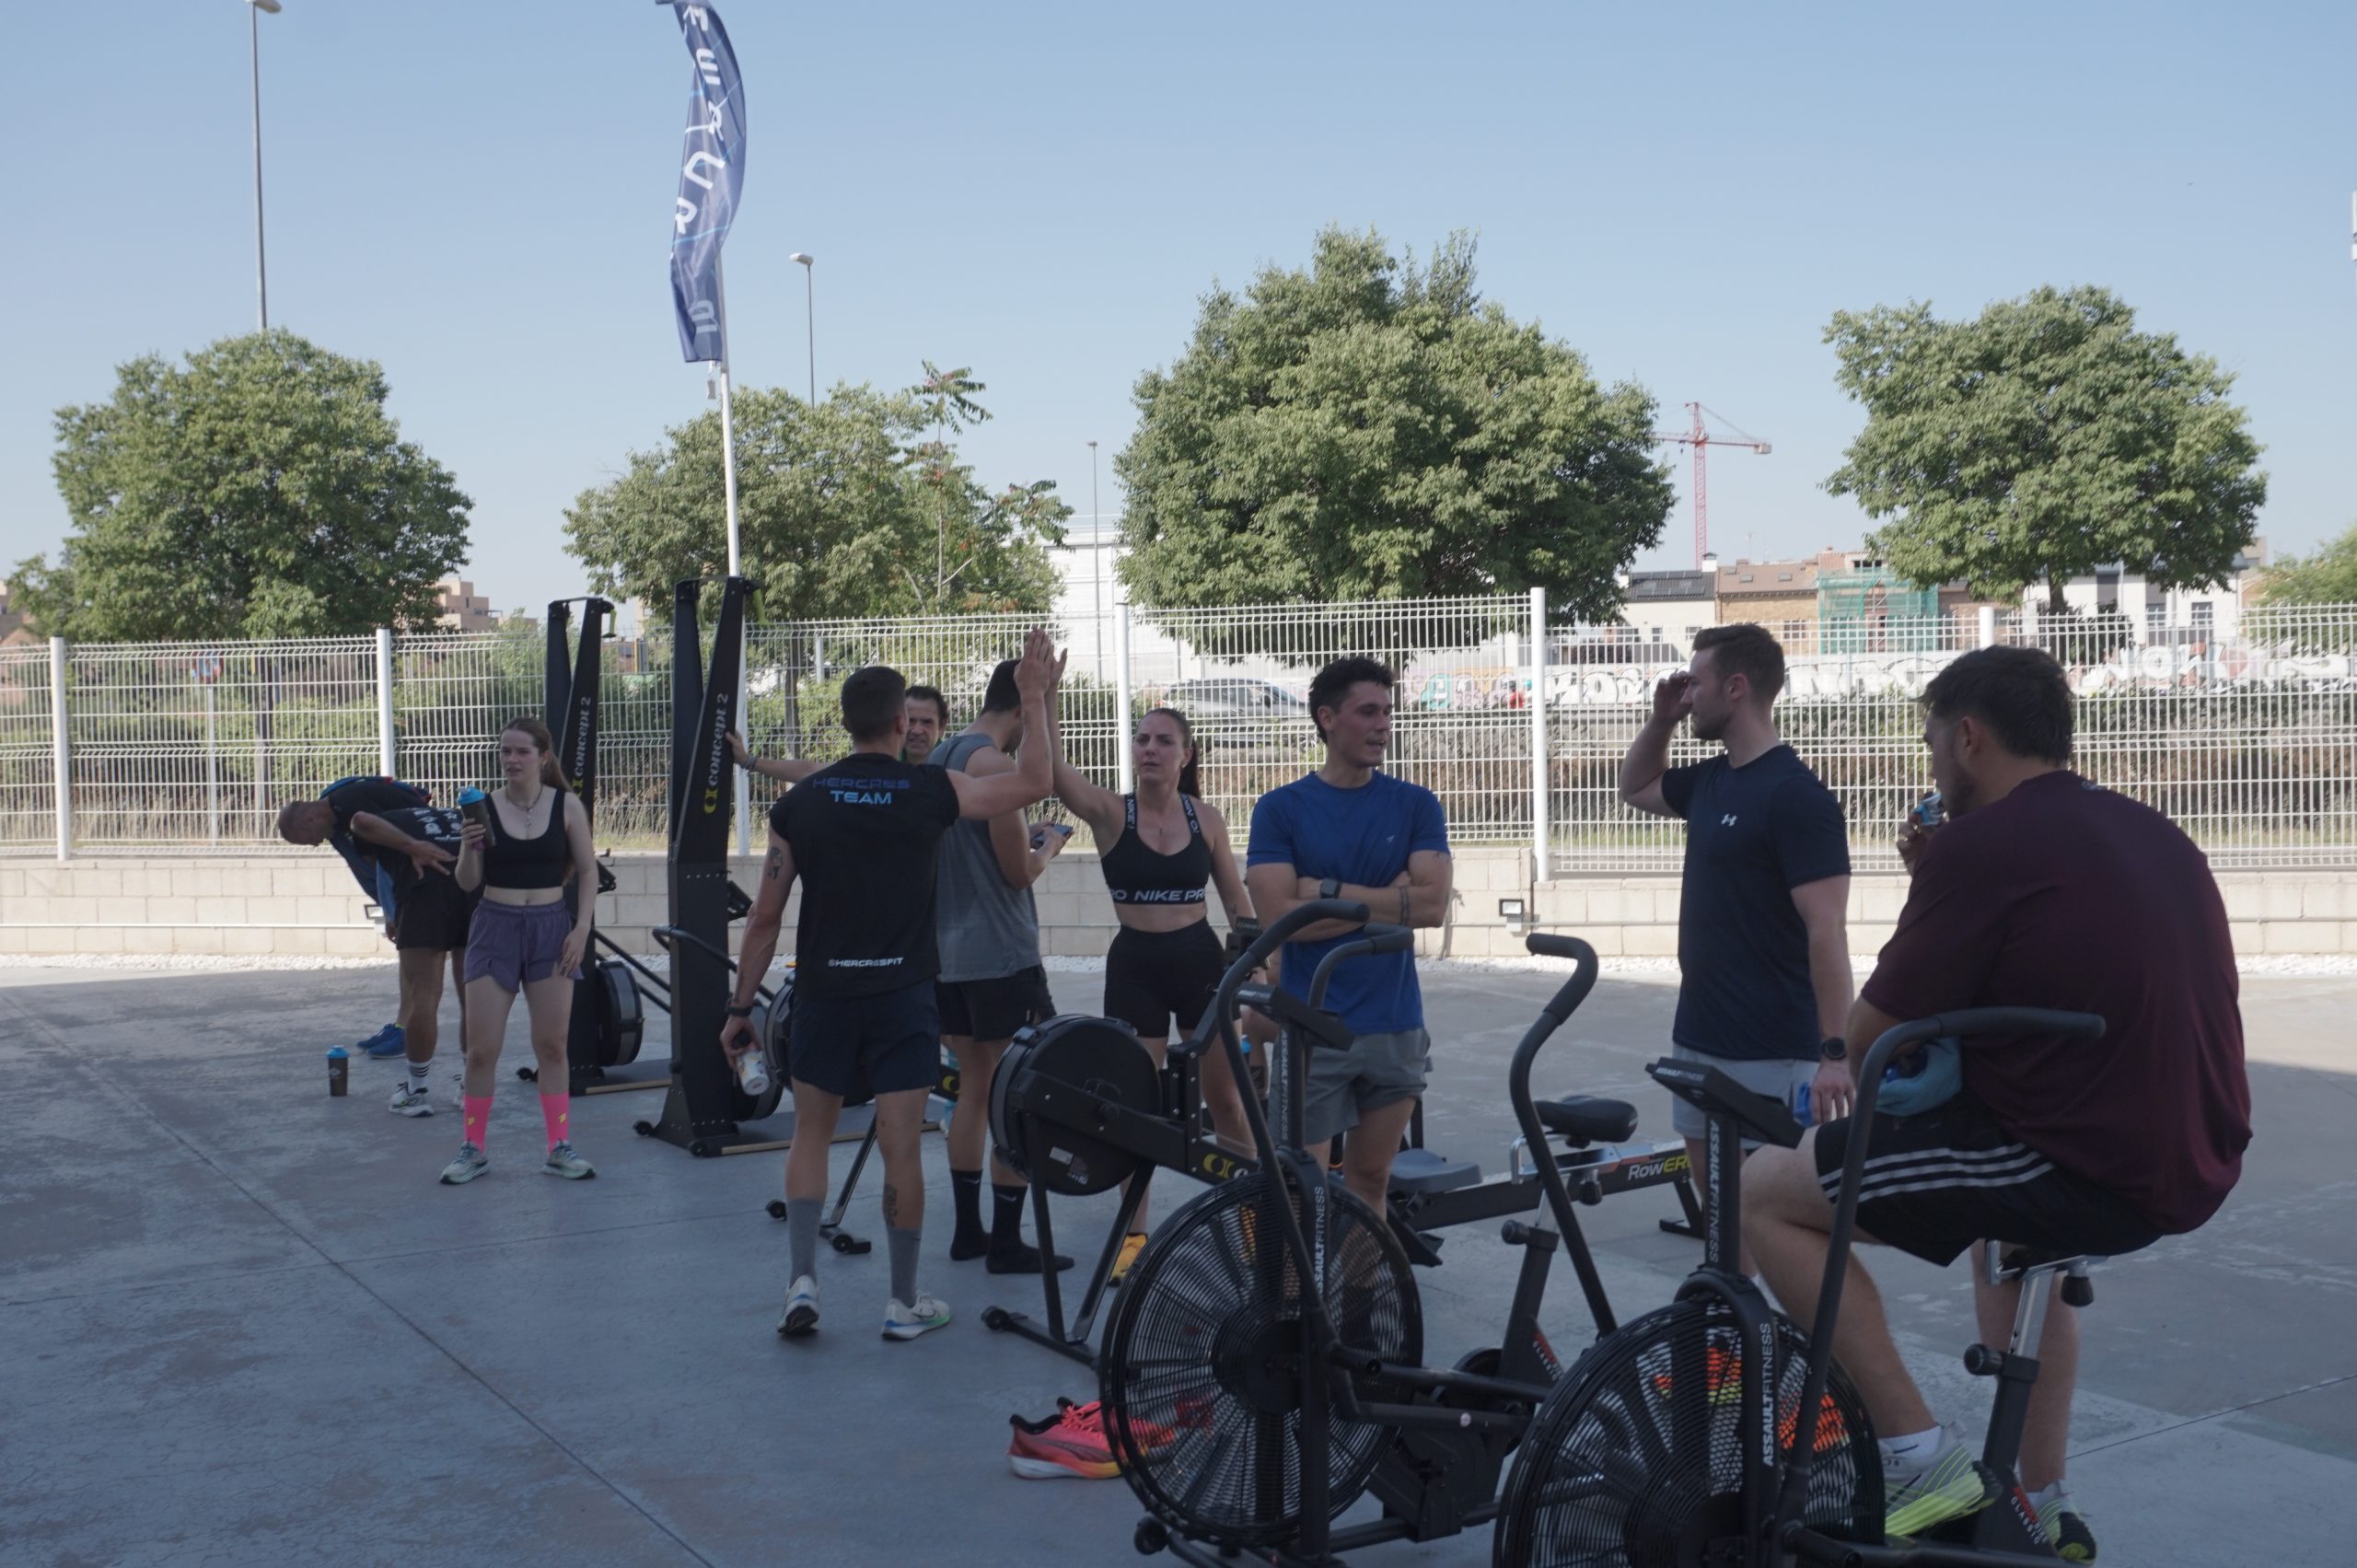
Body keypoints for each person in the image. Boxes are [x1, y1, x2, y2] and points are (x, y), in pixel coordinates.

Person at [1742, 646, 2250, 1556]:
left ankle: (1916, 1459)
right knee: (2011, 1248)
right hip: (2192, 1150)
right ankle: (2040, 1499)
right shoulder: (2152, 829)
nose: (1933, 765)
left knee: (1765, 1191)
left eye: (1933, 742)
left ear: (1969, 736)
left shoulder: (1982, 845)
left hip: (2075, 1154)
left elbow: (1870, 1032)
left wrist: (1939, 876)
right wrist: (1939, 877)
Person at [719, 632, 1063, 1342]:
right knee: (901, 1145)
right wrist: (1034, 696)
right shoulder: (930, 789)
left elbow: (764, 918)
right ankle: (903, 1302)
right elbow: (1034, 784)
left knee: (811, 1134)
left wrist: (739, 1006)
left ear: (845, 721)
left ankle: (801, 1283)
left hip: (822, 994)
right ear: (901, 722)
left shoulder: (804, 802)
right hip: (903, 996)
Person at [1618, 621, 1855, 1276]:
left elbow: (1827, 930)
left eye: (1695, 682)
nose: (1686, 693)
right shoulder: (1710, 780)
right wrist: (1661, 721)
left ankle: (1797, 1332)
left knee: (1772, 1214)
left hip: (1772, 1047)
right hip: (1699, 1032)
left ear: (1737, 687)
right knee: (1722, 1216)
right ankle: (1730, 1323)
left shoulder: (1795, 796)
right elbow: (1634, 788)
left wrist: (1835, 1053)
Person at [1051, 704, 1256, 1280]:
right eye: (1141, 739)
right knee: (1135, 1109)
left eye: (1164, 741)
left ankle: (1251, 1215)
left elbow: (1236, 900)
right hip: (1134, 969)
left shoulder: (1205, 818)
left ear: (1185, 755)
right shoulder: (1111, 813)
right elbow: (1056, 775)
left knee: (1227, 1101)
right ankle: (1133, 1237)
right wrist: (1046, 699)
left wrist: (1258, 964)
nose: (1149, 749)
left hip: (1199, 965)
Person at [1244, 656, 1451, 1218]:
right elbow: (1277, 917)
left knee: (1371, 1181)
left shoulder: (1415, 804)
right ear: (1328, 718)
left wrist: (1327, 893)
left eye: (1387, 711)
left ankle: (1361, 1279)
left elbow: (1433, 906)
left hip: (1395, 1025)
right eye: (1368, 712)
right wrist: (1389, 902)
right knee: (1299, 1188)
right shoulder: (1281, 809)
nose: (1383, 724)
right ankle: (1298, 1280)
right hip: (1313, 1029)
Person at [934, 658, 1072, 1273]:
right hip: (1001, 955)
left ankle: (970, 1231)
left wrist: (1022, 832)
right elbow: (1018, 871)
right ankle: (1009, 1242)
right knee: (1021, 1092)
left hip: (949, 955)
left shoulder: (943, 755)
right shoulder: (991, 765)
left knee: (974, 1087)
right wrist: (1049, 846)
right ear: (1020, 710)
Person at [441, 716, 600, 1186]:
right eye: (504, 751)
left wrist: (581, 929)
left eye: (521, 751)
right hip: (495, 926)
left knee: (552, 1046)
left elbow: (588, 870)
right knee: (481, 1050)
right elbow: (467, 882)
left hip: (552, 929)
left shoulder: (566, 805)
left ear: (542, 757)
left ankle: (558, 1146)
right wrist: (469, 847)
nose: (510, 759)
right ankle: (473, 1148)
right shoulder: (483, 808)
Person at [276, 775, 435, 1059]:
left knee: (419, 958)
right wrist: (389, 912)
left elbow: (387, 861)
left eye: (309, 840)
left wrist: (395, 913)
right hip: (406, 876)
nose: (316, 844)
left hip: (425, 872)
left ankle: (411, 1031)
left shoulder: (354, 808)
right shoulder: (337, 817)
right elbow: (369, 869)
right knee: (409, 952)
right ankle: (403, 1025)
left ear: (311, 819)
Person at [342, 801, 474, 1117]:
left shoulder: (386, 824)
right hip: (475, 890)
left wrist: (413, 847)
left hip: (425, 894)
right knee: (474, 997)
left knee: (423, 995)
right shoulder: (459, 814)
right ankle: (472, 1087)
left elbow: (359, 817)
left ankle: (416, 1092)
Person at [730, 685, 951, 782]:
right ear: (899, 722)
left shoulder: (957, 763)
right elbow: (811, 771)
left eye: (927, 722)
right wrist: (748, 761)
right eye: (911, 721)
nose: (917, 730)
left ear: (942, 726)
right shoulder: (880, 763)